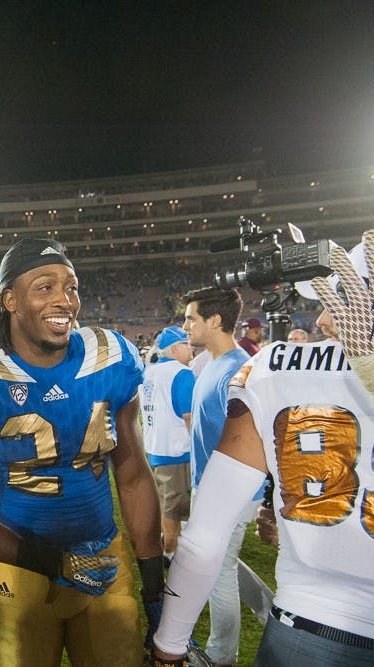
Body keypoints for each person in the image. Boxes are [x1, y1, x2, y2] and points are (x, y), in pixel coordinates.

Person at [0, 238, 164, 666]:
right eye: (44, 287)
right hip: (19, 563)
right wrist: (55, 562)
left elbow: (132, 475)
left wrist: (154, 584)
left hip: (102, 559)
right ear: (10, 300)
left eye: (71, 287)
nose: (65, 300)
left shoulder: (108, 358)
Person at [153, 231, 374, 666]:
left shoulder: (272, 369)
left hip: (313, 619)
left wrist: (168, 647)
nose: (326, 318)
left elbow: (203, 539)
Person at [180, 286, 262, 667]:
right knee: (221, 565)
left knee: (218, 574)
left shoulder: (237, 369)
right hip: (212, 486)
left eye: (191, 318)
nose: (185, 326)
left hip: (229, 491)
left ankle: (220, 656)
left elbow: (250, 441)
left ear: (214, 320)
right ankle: (267, 610)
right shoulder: (211, 362)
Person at [139, 326, 195, 562]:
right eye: (186, 344)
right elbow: (189, 417)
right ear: (174, 348)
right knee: (176, 510)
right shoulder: (182, 373)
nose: (191, 348)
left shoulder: (148, 372)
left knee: (165, 504)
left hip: (154, 448)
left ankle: (166, 544)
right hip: (176, 452)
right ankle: (169, 555)